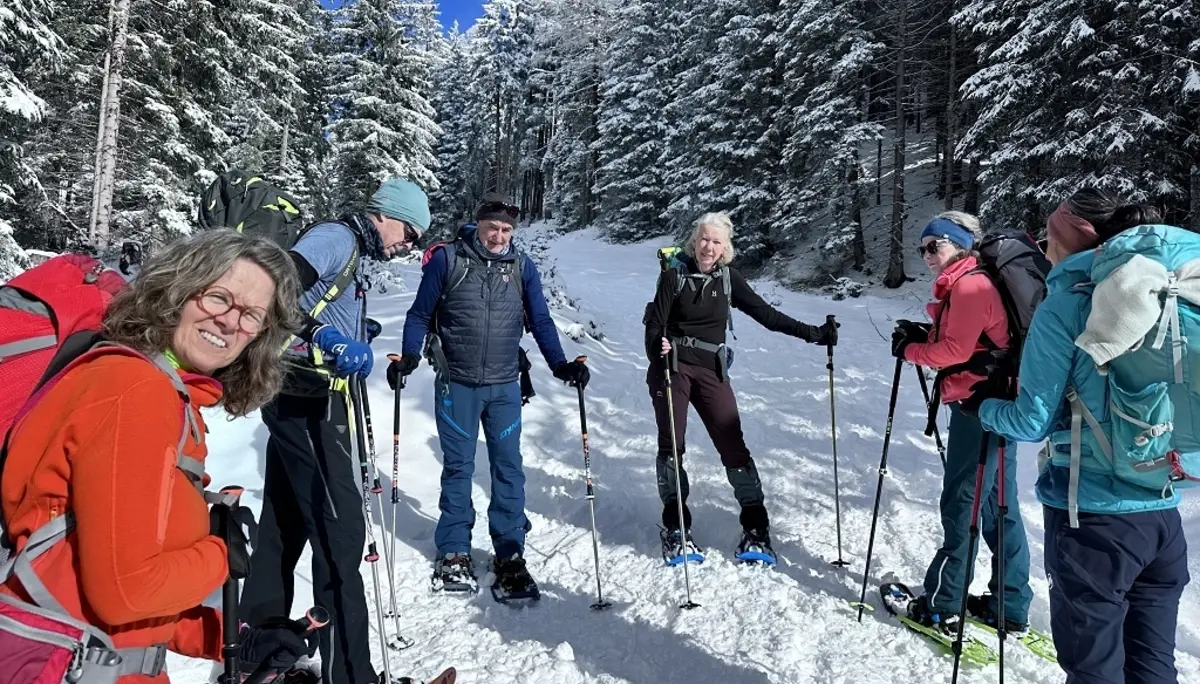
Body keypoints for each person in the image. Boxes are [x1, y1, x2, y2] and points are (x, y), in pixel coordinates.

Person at [0, 230, 319, 682]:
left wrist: (231, 638)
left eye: (252, 315)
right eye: (218, 298)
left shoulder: (168, 394)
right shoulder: (134, 391)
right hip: (62, 666)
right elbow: (126, 591)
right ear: (179, 289)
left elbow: (103, 581)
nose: (230, 322)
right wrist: (218, 555)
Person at [969, 190, 1191, 683]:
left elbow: (1032, 421)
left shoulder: (1070, 302)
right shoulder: (1164, 291)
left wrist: (982, 406)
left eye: (1051, 223)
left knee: (1094, 672)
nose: (1043, 236)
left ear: (1078, 228)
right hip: (1161, 513)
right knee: (1153, 667)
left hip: (1092, 521)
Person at [240, 178, 431, 684]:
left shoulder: (355, 250)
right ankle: (351, 675)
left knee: (284, 523)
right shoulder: (337, 238)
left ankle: (260, 650)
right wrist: (321, 335)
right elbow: (272, 288)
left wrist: (348, 331)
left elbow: (321, 297)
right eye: (410, 232)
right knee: (341, 536)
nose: (408, 244)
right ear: (386, 215)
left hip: (301, 396)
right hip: (307, 403)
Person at [390, 192, 588, 595]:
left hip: (504, 387)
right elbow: (419, 315)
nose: (499, 236)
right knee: (459, 467)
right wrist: (409, 358)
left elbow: (542, 321)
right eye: (492, 228)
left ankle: (510, 552)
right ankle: (454, 550)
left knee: (508, 467)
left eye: (506, 230)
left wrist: (560, 365)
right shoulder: (449, 261)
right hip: (456, 384)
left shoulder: (521, 267)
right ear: (478, 226)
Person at [643, 211, 839, 565]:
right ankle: (676, 525)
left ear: (725, 247)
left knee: (732, 443)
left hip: (711, 370)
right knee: (672, 443)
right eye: (704, 238)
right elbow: (654, 326)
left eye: (716, 241)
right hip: (671, 370)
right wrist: (659, 346)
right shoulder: (673, 277)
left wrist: (815, 334)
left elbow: (768, 315)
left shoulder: (729, 280)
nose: (708, 246)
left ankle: (755, 524)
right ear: (694, 240)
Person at [887, 211, 1033, 635]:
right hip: (1004, 406)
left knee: (963, 504)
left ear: (961, 245)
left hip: (977, 411)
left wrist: (910, 350)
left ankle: (942, 605)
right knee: (999, 507)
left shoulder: (970, 284)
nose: (928, 255)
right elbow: (977, 340)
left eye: (937, 245)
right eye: (923, 248)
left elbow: (952, 352)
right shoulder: (983, 281)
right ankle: (1010, 604)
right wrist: (924, 335)